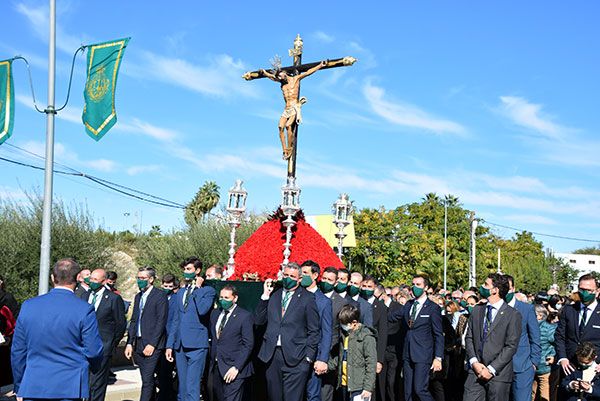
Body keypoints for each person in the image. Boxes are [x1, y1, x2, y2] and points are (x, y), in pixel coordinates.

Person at [11, 258, 104, 400]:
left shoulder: (29, 306)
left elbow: (18, 351)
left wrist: (19, 385)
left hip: (33, 386)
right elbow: (93, 350)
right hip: (70, 387)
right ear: (78, 278)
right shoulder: (84, 309)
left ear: (52, 278)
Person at [254, 262, 320, 401]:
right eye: (285, 275)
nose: (288, 278)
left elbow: (314, 330)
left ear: (299, 279)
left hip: (296, 358)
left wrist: (308, 358)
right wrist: (265, 295)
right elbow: (259, 320)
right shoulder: (275, 295)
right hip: (272, 356)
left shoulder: (307, 298)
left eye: (292, 276)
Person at [463, 274, 522, 401]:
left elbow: (511, 346)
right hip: (475, 372)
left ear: (495, 290)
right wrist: (474, 362)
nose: (482, 287)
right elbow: (469, 337)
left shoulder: (512, 315)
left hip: (498, 376)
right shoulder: (478, 310)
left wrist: (491, 369)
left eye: (486, 284)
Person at [166, 257, 216, 401]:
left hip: (197, 345)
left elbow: (202, 310)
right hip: (180, 345)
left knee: (192, 386)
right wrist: (170, 344)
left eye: (189, 269)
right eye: (184, 269)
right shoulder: (181, 292)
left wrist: (197, 289)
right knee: (182, 387)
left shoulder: (208, 291)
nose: (185, 272)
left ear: (198, 271)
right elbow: (176, 319)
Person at [389, 275, 443, 401]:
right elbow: (392, 317)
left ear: (426, 288)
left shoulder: (433, 308)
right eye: (413, 284)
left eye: (418, 285)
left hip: (423, 354)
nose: (415, 287)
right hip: (408, 353)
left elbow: (438, 334)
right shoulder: (408, 305)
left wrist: (438, 358)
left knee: (420, 389)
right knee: (408, 391)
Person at [261, 60, 327, 159]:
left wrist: (320, 65)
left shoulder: (295, 79)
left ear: (284, 73)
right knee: (280, 127)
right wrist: (264, 73)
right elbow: (272, 77)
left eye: (280, 75)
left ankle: (290, 148)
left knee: (288, 126)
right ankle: (284, 150)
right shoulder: (282, 83)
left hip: (294, 108)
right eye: (278, 76)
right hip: (286, 109)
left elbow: (308, 72)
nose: (279, 77)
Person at [82, 268, 127, 401]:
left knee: (98, 384)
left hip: (103, 347)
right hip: (84, 346)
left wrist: (111, 343)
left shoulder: (113, 299)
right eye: (91, 279)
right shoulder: (85, 296)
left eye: (95, 280)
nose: (92, 282)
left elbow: (120, 324)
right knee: (86, 382)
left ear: (104, 281)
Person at [125, 266, 169, 401]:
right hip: (138, 343)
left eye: (143, 278)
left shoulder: (160, 295)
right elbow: (134, 320)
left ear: (151, 279)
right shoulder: (138, 296)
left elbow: (161, 322)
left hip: (152, 345)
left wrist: (152, 344)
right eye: (138, 278)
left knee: (148, 380)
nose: (140, 280)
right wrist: (129, 343)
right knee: (145, 378)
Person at [208, 285, 254, 401]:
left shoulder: (244, 316)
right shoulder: (215, 314)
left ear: (235, 298)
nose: (223, 300)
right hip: (217, 366)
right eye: (221, 297)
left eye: (227, 298)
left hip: (234, 368)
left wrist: (236, 367)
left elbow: (248, 344)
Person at [327, 304, 377, 401]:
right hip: (345, 384)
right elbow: (343, 357)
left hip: (359, 387)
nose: (342, 326)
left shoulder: (367, 337)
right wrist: (328, 366)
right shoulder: (345, 335)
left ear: (354, 322)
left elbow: (371, 363)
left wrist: (368, 387)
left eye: (344, 324)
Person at [504, 275, 541, 401]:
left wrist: (534, 363)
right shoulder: (493, 308)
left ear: (513, 288)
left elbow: (535, 337)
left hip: (522, 366)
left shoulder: (526, 309)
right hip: (498, 367)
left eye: (507, 288)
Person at [300, 260, 333, 401]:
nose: (302, 276)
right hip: (294, 355)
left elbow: (326, 332)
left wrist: (322, 359)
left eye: (305, 273)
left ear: (315, 275)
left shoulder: (323, 301)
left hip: (314, 356)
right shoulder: (296, 295)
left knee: (312, 395)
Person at [556, 274, 600, 378]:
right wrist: (562, 358)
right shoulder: (569, 310)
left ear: (597, 291)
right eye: (581, 289)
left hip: (595, 367)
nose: (585, 293)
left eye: (589, 290)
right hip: (570, 366)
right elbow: (560, 336)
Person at [319, 266, 350, 401]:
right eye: (324, 278)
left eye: (329, 280)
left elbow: (342, 331)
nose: (325, 281)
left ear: (336, 282)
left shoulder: (342, 303)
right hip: (310, 349)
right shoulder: (314, 296)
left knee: (325, 392)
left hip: (330, 352)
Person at [361, 275, 389, 401]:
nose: (366, 289)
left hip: (372, 352)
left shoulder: (381, 307)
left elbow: (383, 335)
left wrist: (379, 360)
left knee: (370, 387)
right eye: (364, 286)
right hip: (357, 352)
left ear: (375, 288)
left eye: (369, 287)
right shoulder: (356, 302)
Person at [377, 284, 404, 401]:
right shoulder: (376, 307)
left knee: (392, 382)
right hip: (381, 351)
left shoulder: (398, 308)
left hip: (394, 350)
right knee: (381, 381)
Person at [158, 273, 179, 401]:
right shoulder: (158, 297)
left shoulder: (176, 299)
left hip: (170, 337)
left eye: (170, 286)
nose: (167, 288)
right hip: (159, 338)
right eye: (165, 286)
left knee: (168, 370)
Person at [533, 304, 557, 401]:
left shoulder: (549, 329)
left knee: (542, 394)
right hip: (537, 366)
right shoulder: (549, 328)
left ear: (539, 315)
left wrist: (552, 355)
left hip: (542, 367)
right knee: (538, 394)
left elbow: (557, 343)